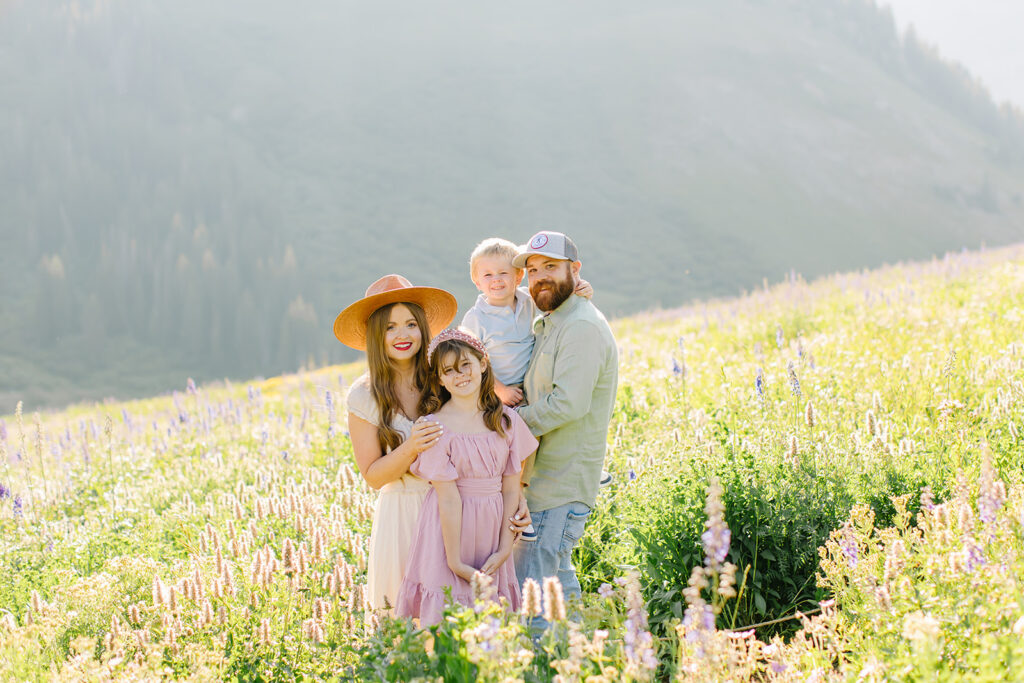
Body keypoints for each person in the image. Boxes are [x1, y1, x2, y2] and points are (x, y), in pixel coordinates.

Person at [335, 275, 532, 612]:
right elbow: (373, 476)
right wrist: (411, 446)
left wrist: (516, 494)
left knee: (465, 619)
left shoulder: (442, 376)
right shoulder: (365, 395)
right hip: (404, 512)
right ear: (375, 335)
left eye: (411, 324)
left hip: (464, 514)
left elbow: (493, 435)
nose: (402, 335)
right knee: (408, 620)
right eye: (389, 327)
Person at [396, 329, 538, 626]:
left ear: (483, 364)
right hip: (449, 533)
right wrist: (455, 562)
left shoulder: (505, 420)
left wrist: (503, 548)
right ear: (439, 379)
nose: (459, 375)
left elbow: (511, 489)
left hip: (493, 528)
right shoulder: (435, 427)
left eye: (466, 365)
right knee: (448, 619)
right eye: (448, 370)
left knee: (491, 621)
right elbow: (447, 499)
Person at [510, 231, 618, 611]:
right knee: (556, 583)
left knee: (533, 594)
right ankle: (583, 653)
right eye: (533, 269)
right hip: (544, 481)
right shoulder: (554, 320)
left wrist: (508, 423)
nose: (540, 276)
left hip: (559, 484)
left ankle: (543, 664)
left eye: (551, 267)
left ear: (575, 270)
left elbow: (567, 404)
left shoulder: (581, 326)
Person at [460, 238, 593, 408]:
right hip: (494, 393)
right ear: (477, 282)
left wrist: (582, 287)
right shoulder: (476, 318)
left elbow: (556, 296)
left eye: (503, 273)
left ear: (518, 276)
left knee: (530, 430)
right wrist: (499, 390)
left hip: (530, 388)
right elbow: (470, 362)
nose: (496, 279)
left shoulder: (527, 300)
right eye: (487, 275)